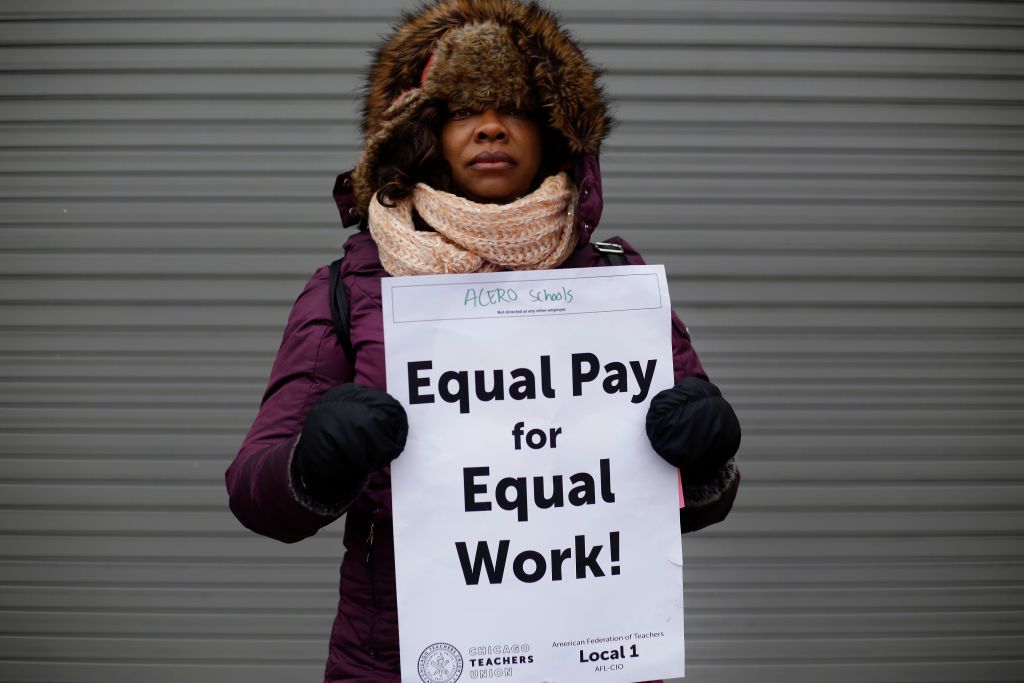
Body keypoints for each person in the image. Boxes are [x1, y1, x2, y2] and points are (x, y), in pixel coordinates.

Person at [225, 1, 741, 681]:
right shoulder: (350, 286)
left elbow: (692, 504)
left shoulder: (616, 284)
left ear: (555, 132)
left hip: (594, 650)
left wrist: (707, 463)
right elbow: (256, 493)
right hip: (402, 658)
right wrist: (315, 465)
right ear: (423, 130)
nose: (491, 126)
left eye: (516, 106)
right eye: (464, 108)